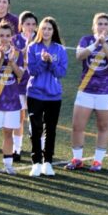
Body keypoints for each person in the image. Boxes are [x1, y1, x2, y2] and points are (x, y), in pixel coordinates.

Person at [66, 13, 108, 173]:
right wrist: (95, 44)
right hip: (86, 90)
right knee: (77, 126)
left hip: (107, 92)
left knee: (103, 126)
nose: (102, 27)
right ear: (94, 26)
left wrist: (104, 45)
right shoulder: (86, 40)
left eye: (105, 24)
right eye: (99, 24)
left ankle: (97, 161)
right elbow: (79, 56)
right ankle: (77, 159)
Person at [26, 17, 67, 177]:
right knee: (35, 129)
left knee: (50, 129)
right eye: (44, 28)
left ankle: (47, 162)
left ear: (54, 31)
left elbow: (61, 73)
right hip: (35, 94)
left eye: (50, 29)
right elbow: (32, 71)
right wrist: (43, 62)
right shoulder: (32, 47)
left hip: (54, 96)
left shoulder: (60, 50)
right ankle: (36, 162)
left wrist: (51, 62)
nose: (47, 31)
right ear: (39, 30)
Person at [0, 22, 24, 175]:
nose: (4, 38)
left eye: (7, 35)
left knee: (8, 133)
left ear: (12, 37)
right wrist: (1, 58)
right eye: (1, 35)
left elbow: (20, 75)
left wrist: (11, 61)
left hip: (12, 101)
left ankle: (8, 164)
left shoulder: (18, 53)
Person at [11, 11, 38, 161]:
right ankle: (17, 150)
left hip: (35, 85)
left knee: (34, 118)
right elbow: (14, 59)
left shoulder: (40, 40)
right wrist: (26, 47)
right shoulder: (14, 40)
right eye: (27, 24)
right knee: (19, 117)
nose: (31, 27)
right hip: (19, 84)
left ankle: (37, 149)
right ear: (21, 25)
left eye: (34, 24)